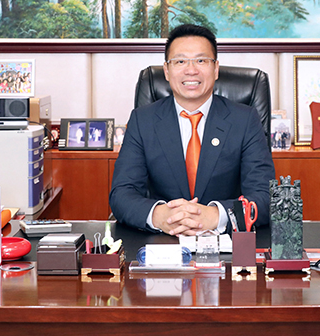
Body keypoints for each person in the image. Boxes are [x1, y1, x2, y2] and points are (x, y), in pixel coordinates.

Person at [109, 24, 274, 236]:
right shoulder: (143, 120)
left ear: (216, 69)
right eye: (180, 61)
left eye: (201, 61)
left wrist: (217, 215)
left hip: (225, 243)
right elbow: (122, 194)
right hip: (162, 243)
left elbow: (265, 195)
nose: (191, 70)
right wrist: (159, 216)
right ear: (166, 71)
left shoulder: (244, 120)